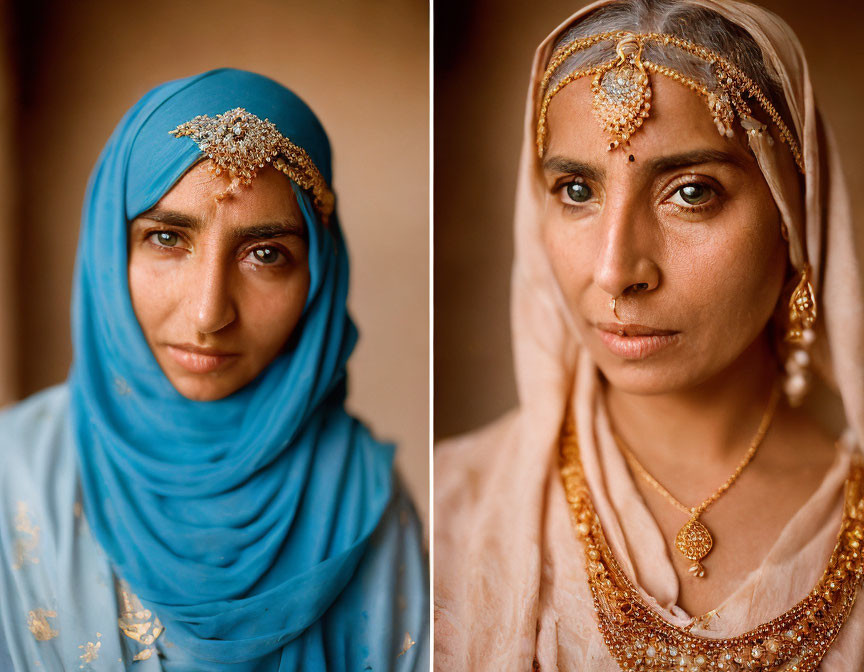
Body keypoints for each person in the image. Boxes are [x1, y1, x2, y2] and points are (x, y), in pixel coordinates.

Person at [434, 1, 864, 670]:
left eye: (691, 192)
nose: (614, 270)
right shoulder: (446, 514)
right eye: (576, 189)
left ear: (792, 213)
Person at [0, 68, 428, 671]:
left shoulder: (365, 499)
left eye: (264, 254)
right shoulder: (12, 475)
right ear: (107, 247)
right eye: (167, 238)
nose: (209, 313)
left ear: (319, 278)